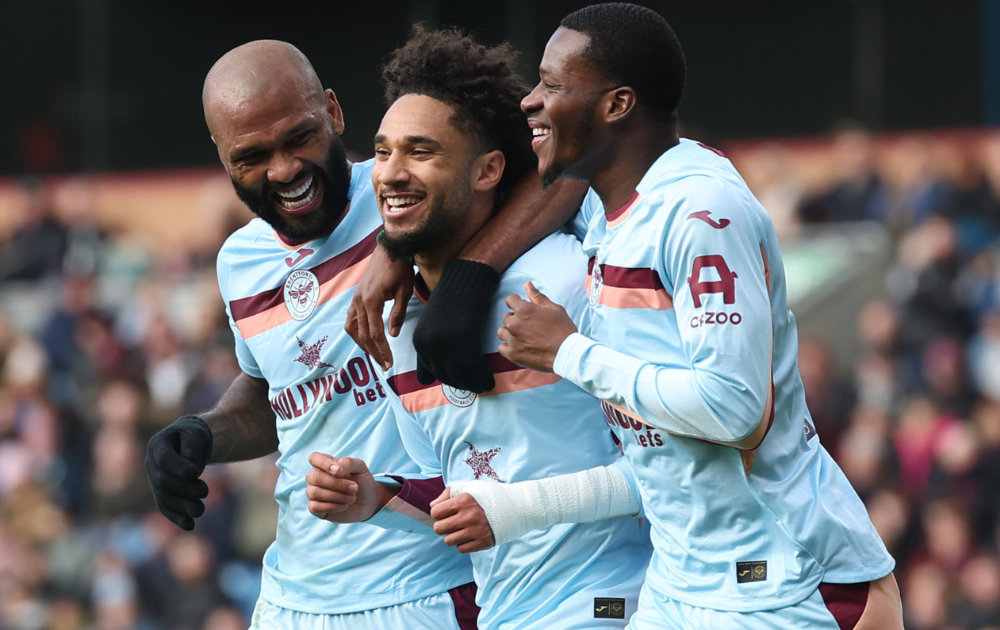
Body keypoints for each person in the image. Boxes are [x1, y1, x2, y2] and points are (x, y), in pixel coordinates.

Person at [442, 4, 904, 629]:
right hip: (681, 583)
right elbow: (662, 457)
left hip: (785, 583)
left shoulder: (701, 212)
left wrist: (569, 352)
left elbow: (735, 410)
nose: (531, 100)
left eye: (551, 84)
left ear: (617, 104)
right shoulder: (609, 208)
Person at [144, 39, 580, 629]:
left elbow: (569, 170)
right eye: (253, 155)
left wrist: (452, 268)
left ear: (333, 111)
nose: (285, 170)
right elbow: (283, 393)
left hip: (429, 588)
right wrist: (203, 434)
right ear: (222, 158)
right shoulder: (238, 263)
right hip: (291, 598)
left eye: (299, 137)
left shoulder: (412, 188)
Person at [304, 28, 651, 629]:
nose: (390, 174)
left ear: (490, 169)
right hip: (503, 613)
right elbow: (463, 491)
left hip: (615, 602)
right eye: (383, 153)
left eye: (421, 152)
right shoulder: (397, 324)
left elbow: (674, 470)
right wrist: (379, 497)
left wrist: (517, 509)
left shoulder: (567, 282)